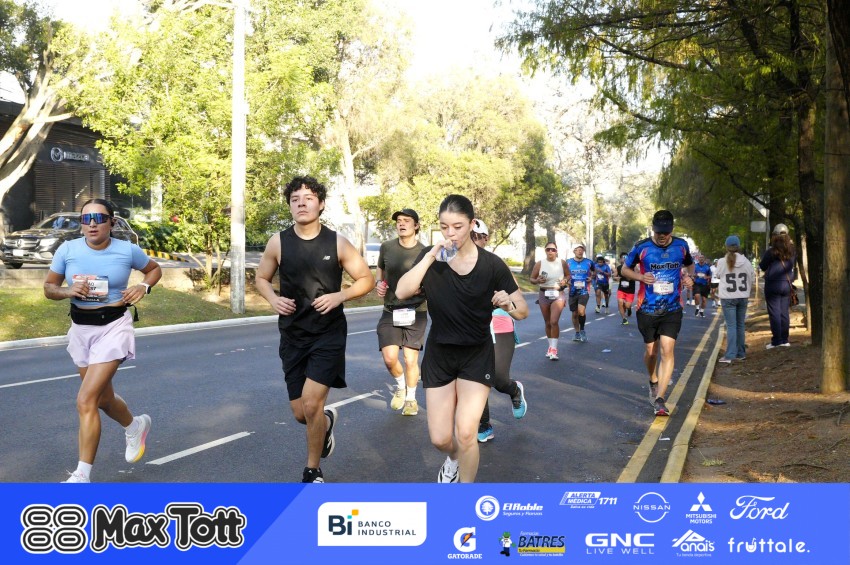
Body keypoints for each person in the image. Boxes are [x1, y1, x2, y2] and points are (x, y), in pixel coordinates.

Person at [396, 195, 528, 483]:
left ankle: (465, 499)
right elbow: (402, 291)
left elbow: (522, 311)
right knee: (440, 438)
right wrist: (430, 256)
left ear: (471, 224)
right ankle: (453, 458)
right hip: (440, 355)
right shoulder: (432, 258)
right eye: (444, 227)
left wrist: (507, 303)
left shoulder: (492, 265)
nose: (451, 233)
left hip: (476, 354)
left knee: (467, 433)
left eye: (457, 226)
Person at [255, 176, 374, 483]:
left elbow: (366, 279)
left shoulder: (337, 242)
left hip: (328, 334)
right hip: (293, 335)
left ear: (321, 204)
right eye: (295, 199)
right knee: (301, 413)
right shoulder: (278, 242)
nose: (301, 203)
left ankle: (313, 471)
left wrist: (340, 296)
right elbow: (262, 278)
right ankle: (326, 422)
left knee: (311, 404)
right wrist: (273, 299)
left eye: (308, 198)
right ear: (289, 206)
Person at [44, 198, 162, 483]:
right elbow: (49, 288)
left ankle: (81, 476)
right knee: (103, 399)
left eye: (99, 218)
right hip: (81, 329)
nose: (92, 224)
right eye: (86, 219)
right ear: (81, 224)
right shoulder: (67, 250)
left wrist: (143, 286)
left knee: (86, 400)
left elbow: (154, 269)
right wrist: (68, 291)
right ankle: (134, 426)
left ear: (112, 222)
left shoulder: (127, 250)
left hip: (114, 327)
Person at [620, 210, 694, 417]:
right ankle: (653, 379)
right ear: (653, 229)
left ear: (672, 229)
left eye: (666, 232)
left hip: (672, 308)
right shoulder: (641, 247)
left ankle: (660, 399)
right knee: (651, 352)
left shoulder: (681, 245)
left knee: (667, 350)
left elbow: (690, 264)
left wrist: (689, 277)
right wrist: (640, 277)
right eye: (659, 232)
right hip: (647, 308)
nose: (662, 236)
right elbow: (624, 270)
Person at [471, 219, 528, 443]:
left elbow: (519, 304)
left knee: (498, 377)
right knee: (476, 376)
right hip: (473, 326)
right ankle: (483, 425)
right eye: (469, 236)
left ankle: (514, 390)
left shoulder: (495, 264)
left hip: (499, 322)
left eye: (477, 237)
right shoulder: (455, 264)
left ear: (485, 239)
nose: (473, 241)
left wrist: (506, 302)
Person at [375, 208, 427, 416]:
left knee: (410, 359)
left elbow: (431, 279)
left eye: (406, 220)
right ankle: (400, 385)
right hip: (390, 309)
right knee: (389, 358)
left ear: (416, 225)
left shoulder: (424, 251)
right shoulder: (387, 247)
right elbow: (380, 268)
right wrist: (379, 283)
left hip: (416, 310)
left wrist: (422, 289)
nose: (401, 224)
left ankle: (411, 399)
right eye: (398, 221)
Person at [715, 235, 755, 363]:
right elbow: (752, 278)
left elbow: (718, 275)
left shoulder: (722, 261)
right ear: (739, 246)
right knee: (740, 325)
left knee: (731, 326)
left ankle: (730, 355)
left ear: (726, 247)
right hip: (743, 296)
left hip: (728, 297)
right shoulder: (746, 262)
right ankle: (741, 353)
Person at [529, 241, 569, 359]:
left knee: (554, 321)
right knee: (547, 322)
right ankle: (550, 347)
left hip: (558, 293)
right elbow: (532, 279)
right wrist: (537, 281)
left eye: (553, 249)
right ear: (545, 251)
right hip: (544, 293)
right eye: (548, 249)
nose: (550, 251)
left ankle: (554, 350)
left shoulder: (562, 262)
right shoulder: (540, 263)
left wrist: (565, 281)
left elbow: (568, 275)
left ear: (556, 251)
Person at [759, 223, 796, 349]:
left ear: (774, 236)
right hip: (786, 284)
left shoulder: (771, 251)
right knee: (784, 312)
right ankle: (785, 340)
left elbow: (762, 266)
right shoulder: (792, 251)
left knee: (774, 312)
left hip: (772, 285)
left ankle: (777, 341)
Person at [566, 243, 595, 342]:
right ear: (574, 251)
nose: (580, 251)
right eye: (578, 249)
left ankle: (582, 330)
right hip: (572, 291)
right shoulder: (568, 262)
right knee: (574, 314)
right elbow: (564, 274)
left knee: (581, 311)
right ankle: (577, 333)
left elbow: (594, 271)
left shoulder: (589, 262)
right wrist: (566, 281)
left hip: (584, 290)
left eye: (582, 250)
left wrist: (591, 277)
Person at [615, 252, 636, 325]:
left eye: (626, 258)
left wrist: (630, 276)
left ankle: (628, 308)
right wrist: (616, 278)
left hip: (630, 290)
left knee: (627, 305)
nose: (624, 259)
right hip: (621, 289)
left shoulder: (632, 267)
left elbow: (637, 275)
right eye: (623, 258)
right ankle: (624, 319)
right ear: (620, 259)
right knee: (620, 302)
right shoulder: (618, 268)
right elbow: (614, 276)